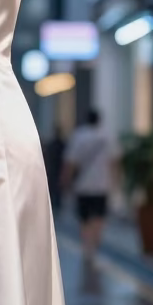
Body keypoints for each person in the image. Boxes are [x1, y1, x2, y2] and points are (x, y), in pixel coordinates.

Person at [63, 109, 116, 260]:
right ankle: (95, 240)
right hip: (102, 184)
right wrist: (116, 181)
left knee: (84, 217)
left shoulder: (79, 136)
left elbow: (70, 162)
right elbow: (115, 161)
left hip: (83, 185)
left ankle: (87, 245)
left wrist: (66, 179)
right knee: (99, 215)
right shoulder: (107, 136)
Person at [42, 126, 66, 211]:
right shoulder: (63, 145)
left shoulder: (51, 145)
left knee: (53, 189)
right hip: (58, 168)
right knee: (57, 190)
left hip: (53, 169)